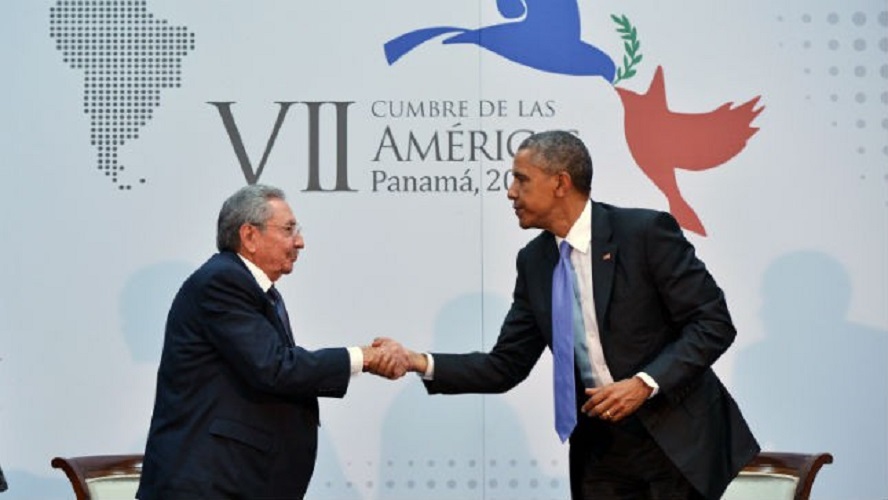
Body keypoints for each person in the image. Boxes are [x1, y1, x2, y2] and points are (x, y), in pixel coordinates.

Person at [395, 130, 759, 499]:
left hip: (678, 441)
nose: (510, 192)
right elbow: (505, 365)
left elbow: (712, 323)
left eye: (521, 179)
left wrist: (644, 383)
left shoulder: (644, 233)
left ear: (560, 183)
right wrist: (416, 362)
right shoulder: (535, 262)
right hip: (601, 453)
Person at [137, 185, 408, 499]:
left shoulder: (258, 290)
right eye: (289, 229)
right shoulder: (222, 282)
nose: (300, 241)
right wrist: (366, 357)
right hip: (209, 486)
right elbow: (275, 367)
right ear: (249, 236)